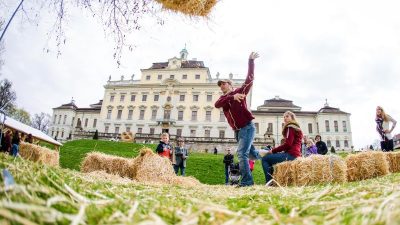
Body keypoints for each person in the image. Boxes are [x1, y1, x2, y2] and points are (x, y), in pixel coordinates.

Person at [215, 52, 268, 187]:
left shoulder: (241, 91)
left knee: (241, 154)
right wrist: (232, 97)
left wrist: (250, 61)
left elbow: (250, 79)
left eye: (224, 83)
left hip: (247, 127)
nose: (221, 86)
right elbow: (217, 105)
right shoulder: (224, 99)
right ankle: (271, 153)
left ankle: (247, 182)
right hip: (237, 131)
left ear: (231, 85)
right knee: (253, 155)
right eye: (220, 85)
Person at [262, 111, 303, 185]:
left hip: (291, 155)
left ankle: (269, 182)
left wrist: (273, 151)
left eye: (287, 116)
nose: (285, 118)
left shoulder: (290, 127)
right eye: (284, 117)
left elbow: (287, 144)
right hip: (295, 154)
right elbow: (293, 144)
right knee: (271, 159)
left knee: (265, 159)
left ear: (292, 118)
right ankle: (273, 180)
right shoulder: (297, 128)